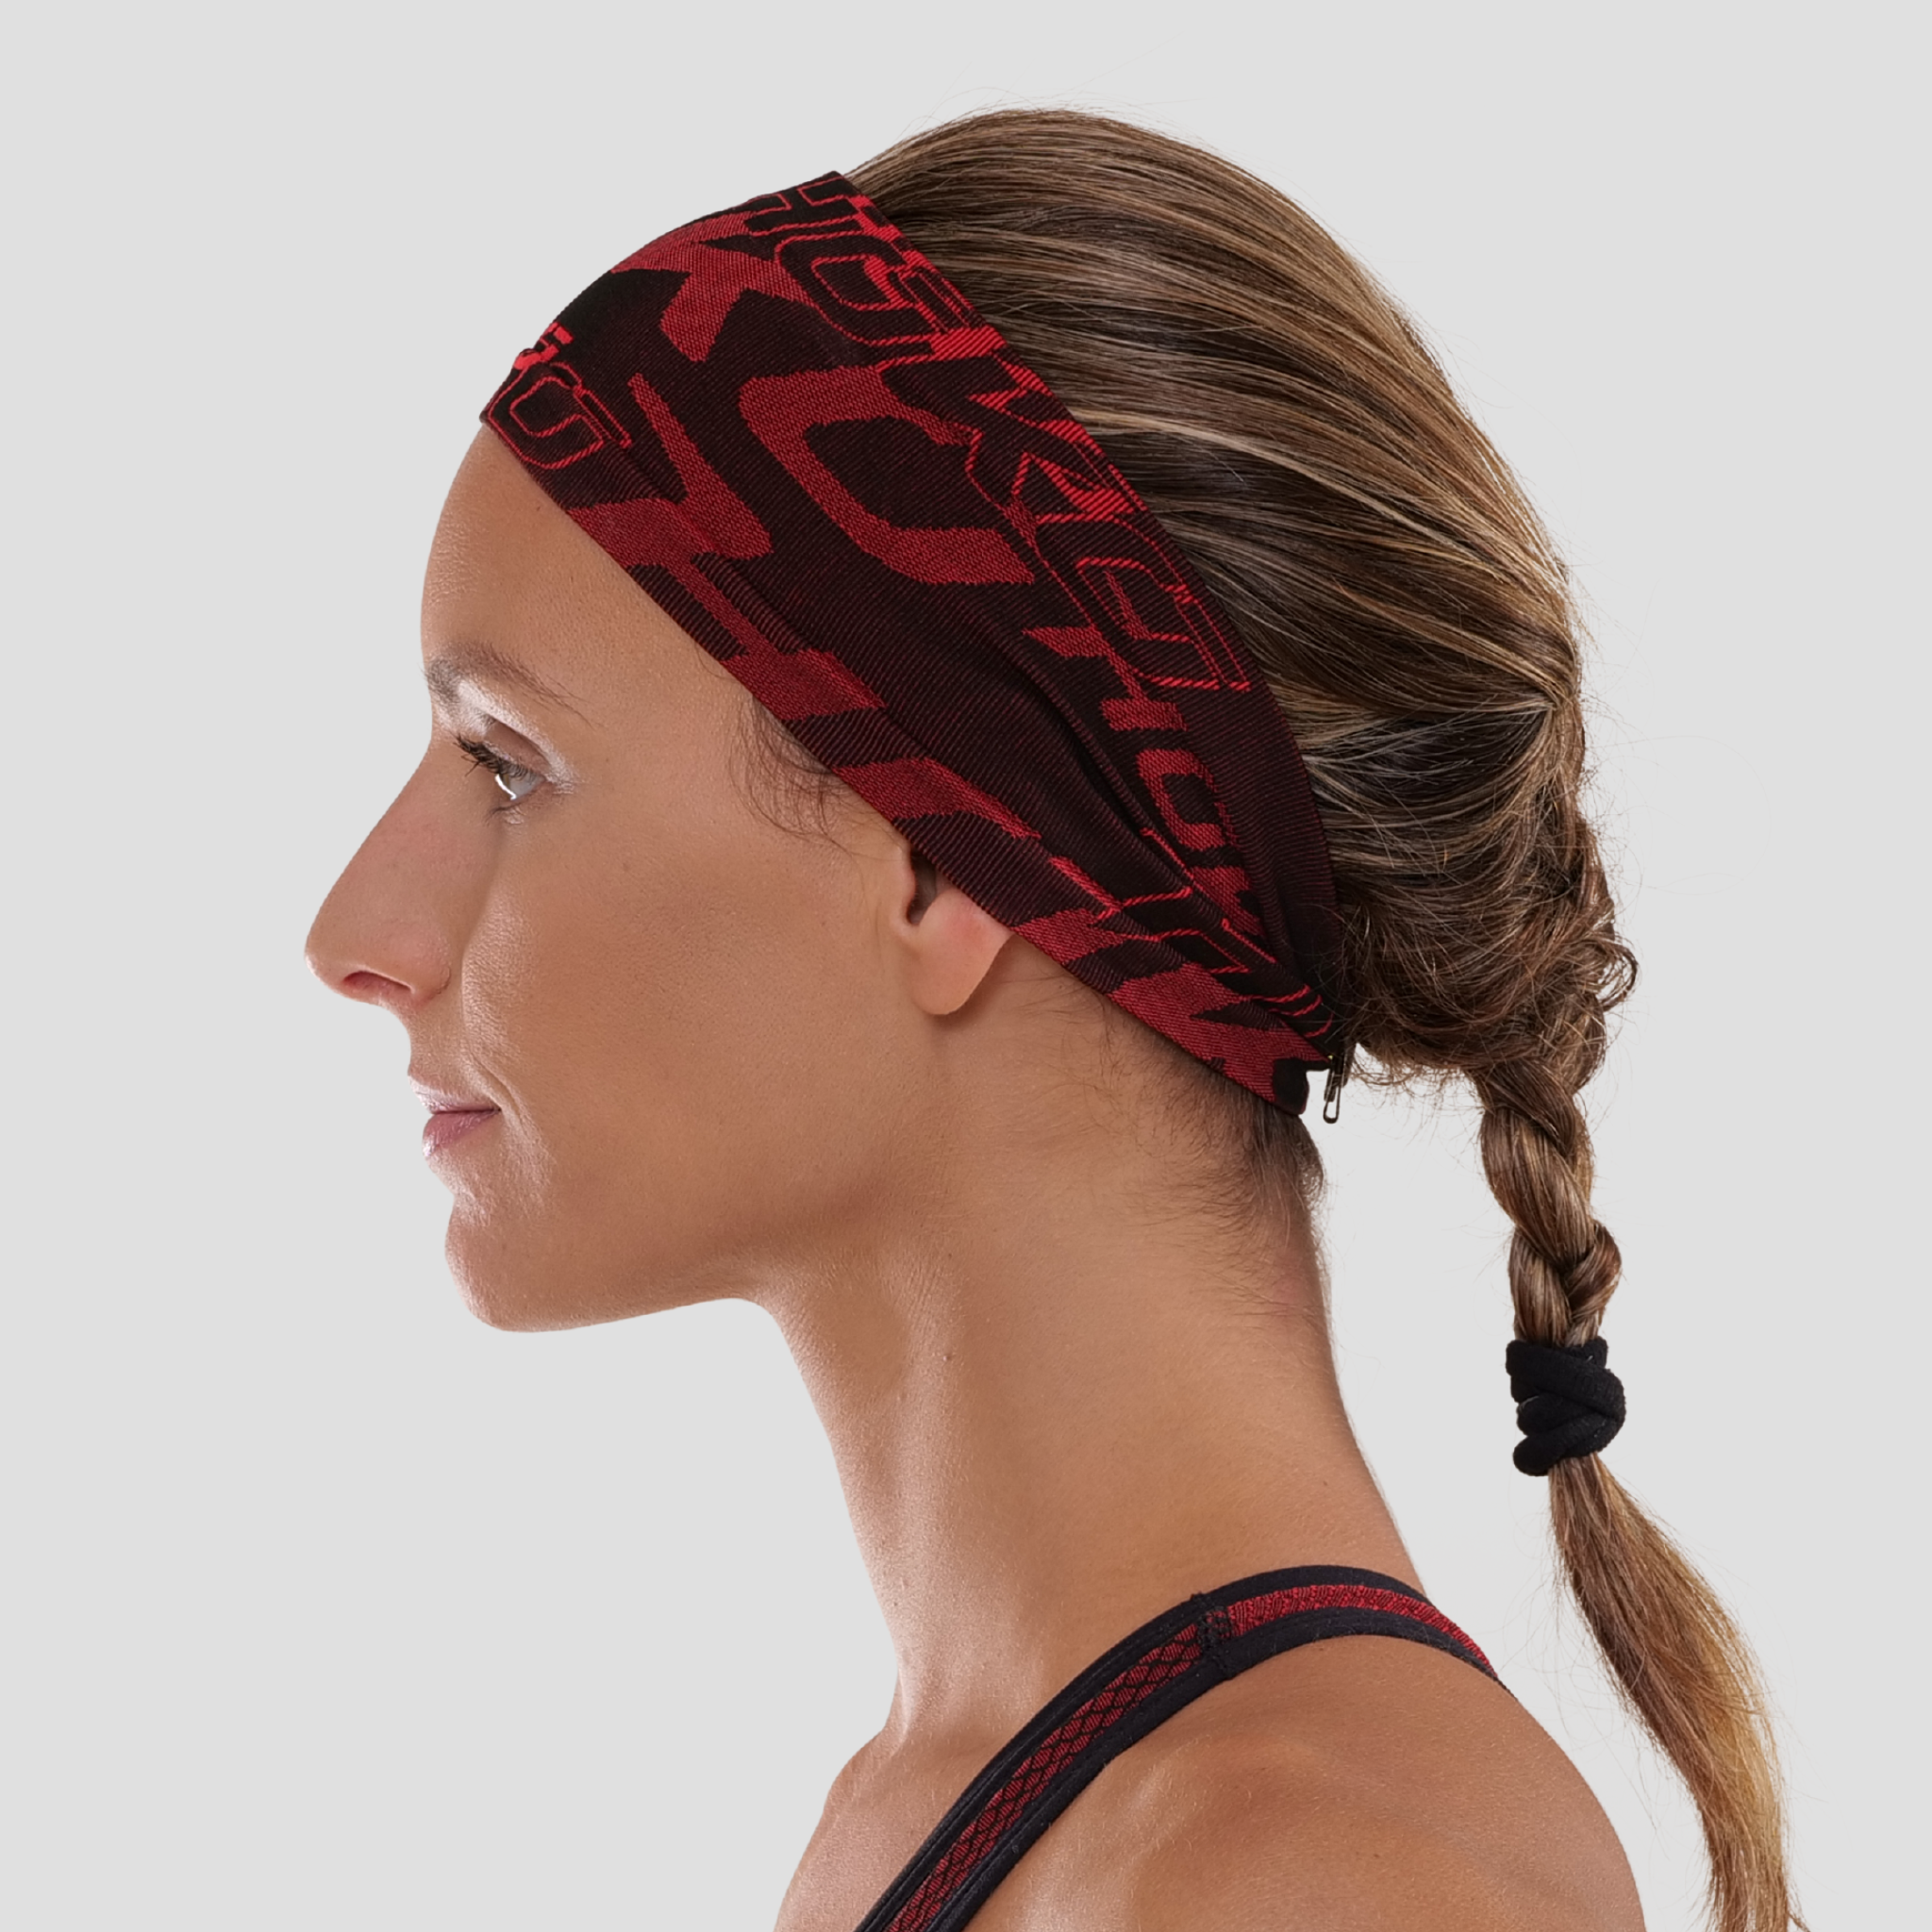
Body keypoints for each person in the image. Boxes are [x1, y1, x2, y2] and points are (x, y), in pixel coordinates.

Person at [306, 110, 1793, 1932]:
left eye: (507, 764)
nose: (355, 934)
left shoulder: (1314, 1881)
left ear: (946, 866)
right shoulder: (977, 1815)